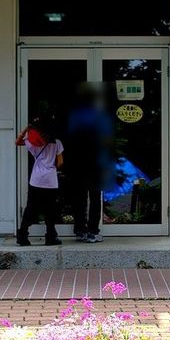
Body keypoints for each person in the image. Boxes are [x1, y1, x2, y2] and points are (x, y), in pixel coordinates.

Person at [64, 83, 114, 243]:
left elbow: (70, 138)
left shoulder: (75, 116)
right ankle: (93, 231)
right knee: (95, 198)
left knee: (79, 197)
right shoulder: (101, 117)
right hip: (96, 162)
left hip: (78, 163)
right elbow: (106, 140)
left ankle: (80, 229)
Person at [15, 115, 64, 246]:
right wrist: (52, 165)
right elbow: (60, 163)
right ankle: (51, 236)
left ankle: (22, 235)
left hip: (36, 180)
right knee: (50, 209)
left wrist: (27, 128)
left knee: (30, 207)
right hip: (51, 181)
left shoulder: (33, 142)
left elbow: (18, 141)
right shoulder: (57, 142)